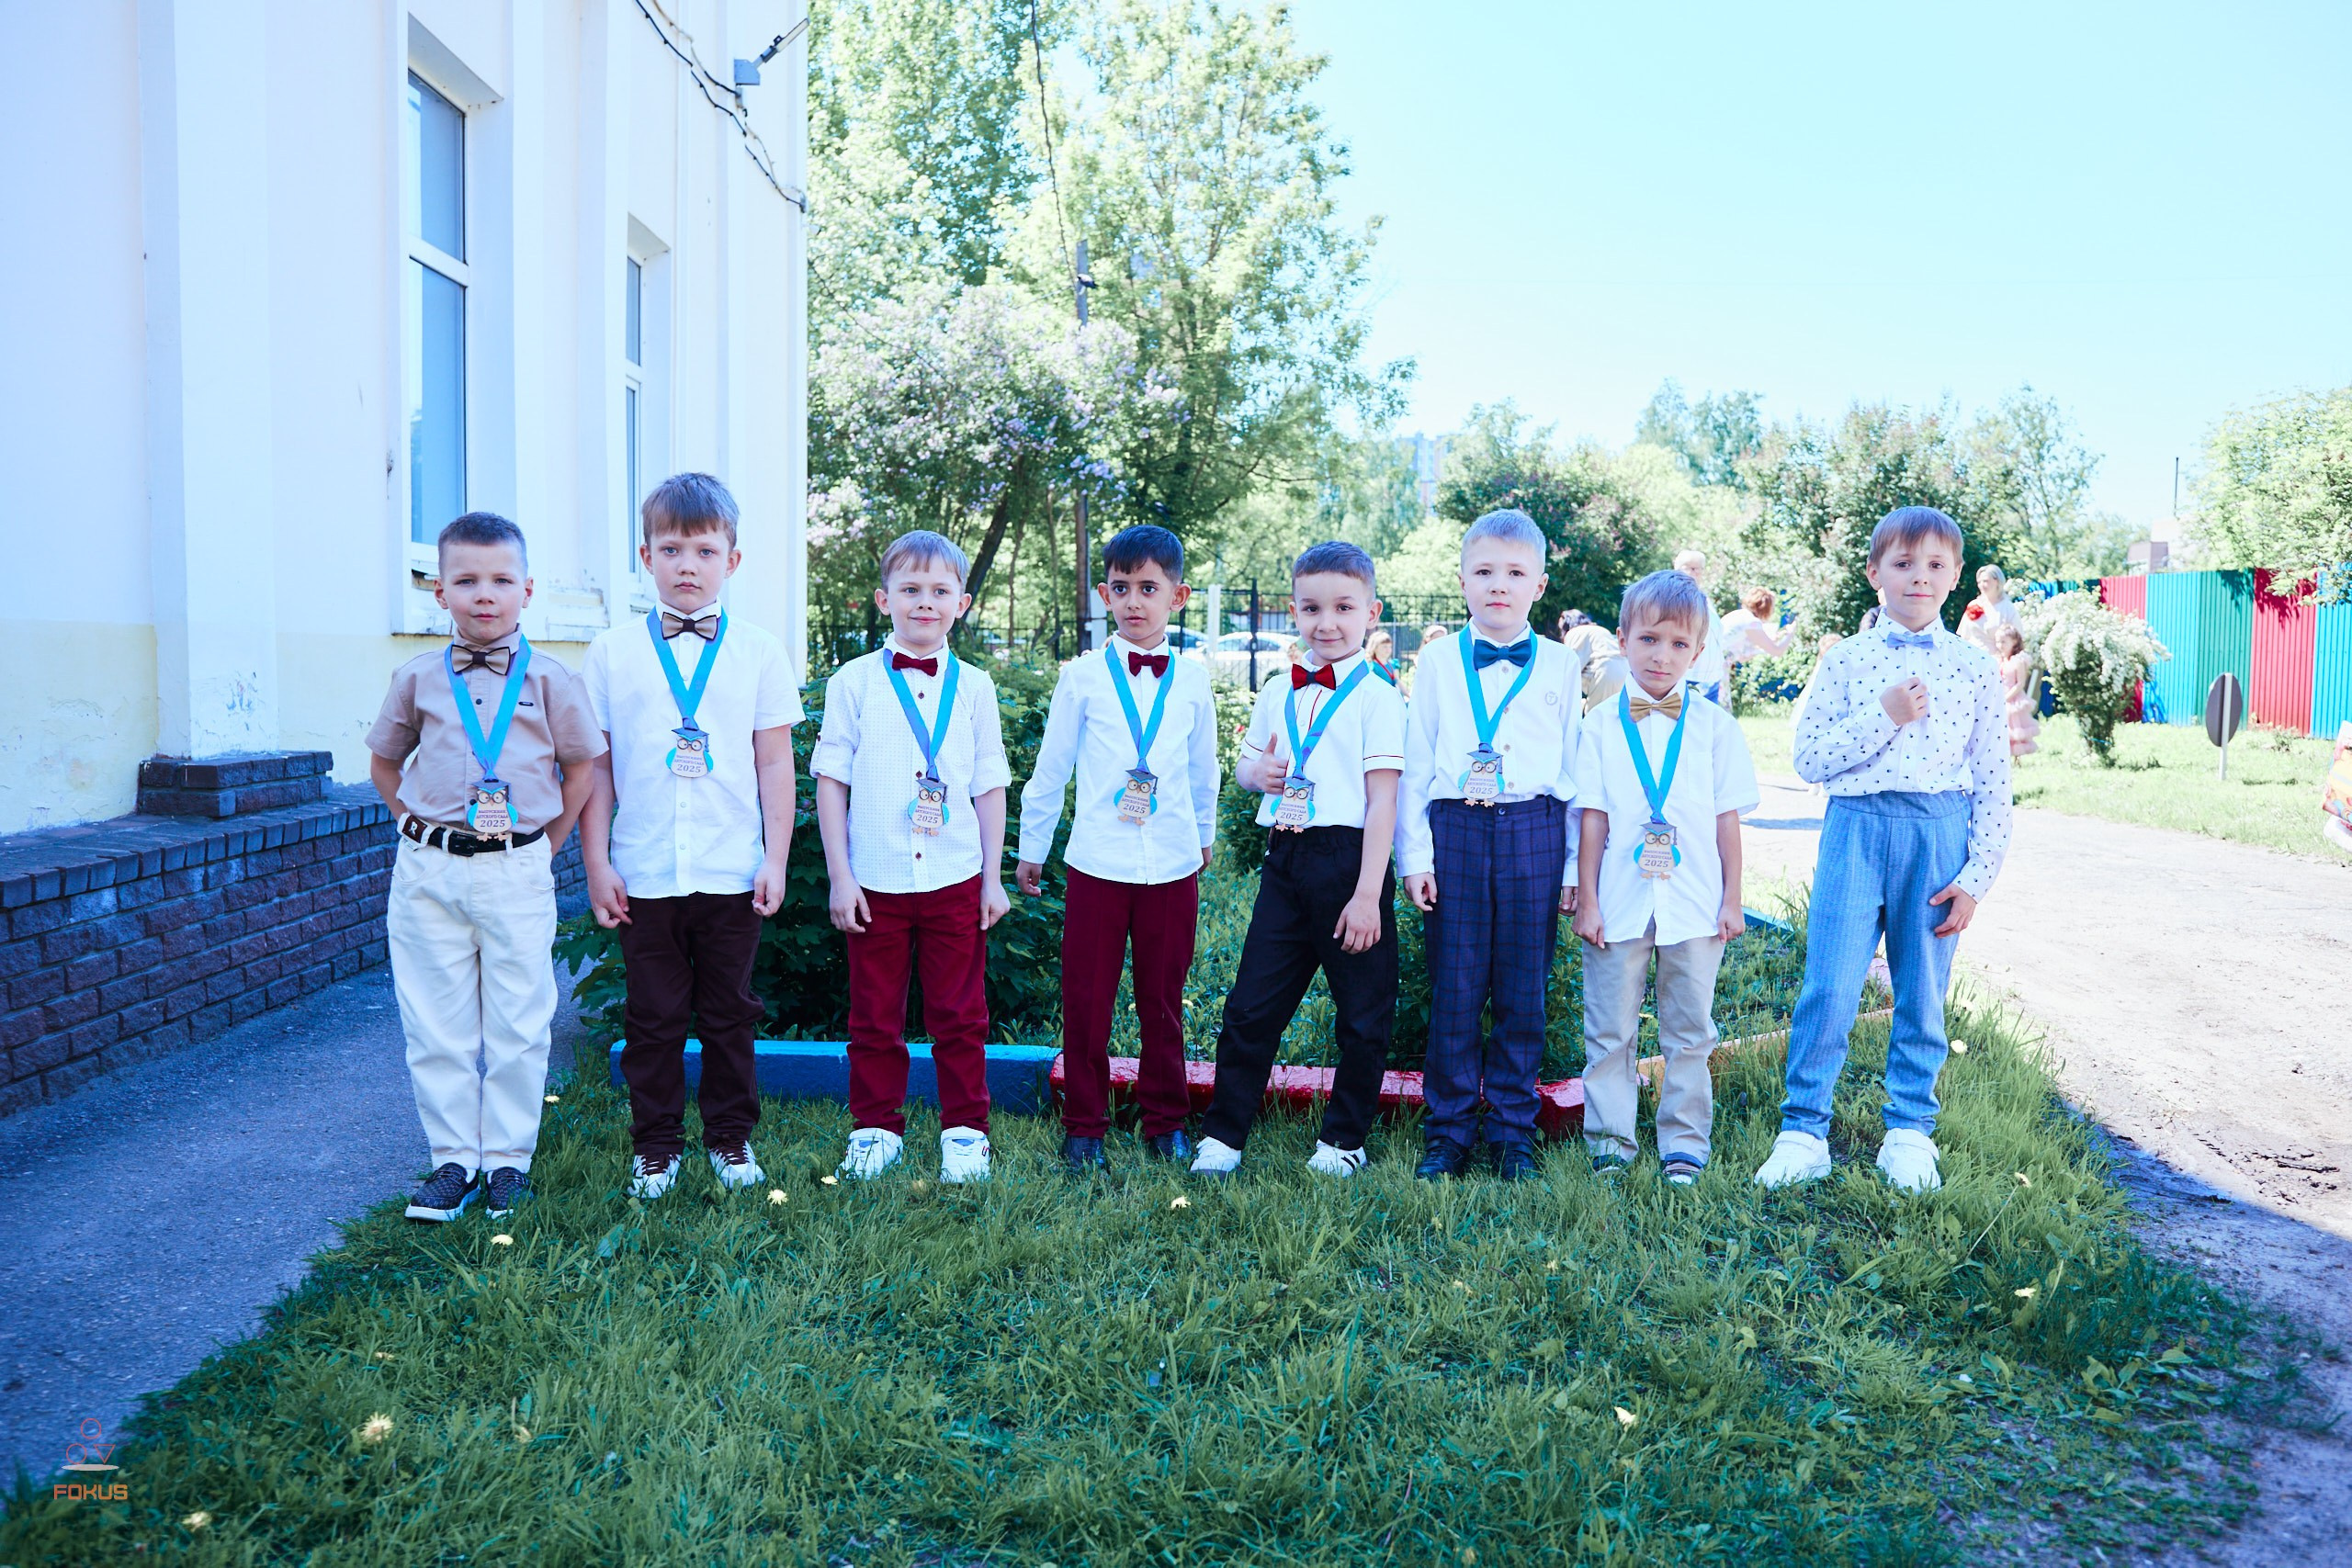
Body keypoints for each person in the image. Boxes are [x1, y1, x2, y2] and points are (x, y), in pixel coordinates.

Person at [1755, 506, 2012, 1195]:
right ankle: (1803, 1129)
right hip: (1856, 832)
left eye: (1934, 565)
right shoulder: (1846, 660)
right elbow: (1810, 758)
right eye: (1902, 564)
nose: (1918, 578)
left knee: (1922, 991)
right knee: (1831, 984)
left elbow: (1993, 781)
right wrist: (1885, 714)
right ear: (1875, 574)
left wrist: (1977, 876)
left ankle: (1908, 1130)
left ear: (1957, 576)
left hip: (1938, 835)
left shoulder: (1974, 668)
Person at [367, 513, 605, 1223]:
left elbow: (582, 766)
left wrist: (547, 842)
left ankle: (506, 1161)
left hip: (516, 870)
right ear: (440, 592)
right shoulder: (416, 679)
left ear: (527, 590)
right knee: (434, 1021)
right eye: (466, 580)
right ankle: (451, 1161)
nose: (484, 595)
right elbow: (384, 760)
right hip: (428, 872)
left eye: (501, 580)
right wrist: (409, 821)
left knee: (519, 1022)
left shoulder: (554, 680)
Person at [582, 474, 804, 1201]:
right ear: (645, 554)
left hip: (731, 867)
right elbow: (599, 767)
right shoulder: (612, 653)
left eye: (704, 550)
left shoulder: (760, 651)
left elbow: (775, 759)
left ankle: (730, 1138)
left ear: (731, 560)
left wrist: (775, 856)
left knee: (730, 1012)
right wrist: (597, 860)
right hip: (644, 868)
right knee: (652, 1015)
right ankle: (655, 1146)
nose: (687, 564)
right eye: (671, 548)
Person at [1191, 542, 1409, 1180]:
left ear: (1372, 612)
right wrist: (1255, 771)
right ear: (1293, 611)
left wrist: (1369, 893)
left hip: (1350, 862)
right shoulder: (1274, 688)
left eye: (1344, 607)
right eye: (1312, 608)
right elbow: (1246, 766)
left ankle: (1343, 1139)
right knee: (1252, 1006)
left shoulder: (1379, 696)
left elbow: (1383, 801)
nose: (1328, 622)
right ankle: (1224, 1135)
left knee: (1363, 1013)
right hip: (1285, 862)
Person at [1016, 525, 1221, 1171]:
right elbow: (1052, 769)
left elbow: (1203, 767)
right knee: (1087, 996)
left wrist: (1205, 835)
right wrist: (1033, 847)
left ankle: (1166, 1120)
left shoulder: (1191, 679)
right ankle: (1085, 1125)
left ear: (1177, 595)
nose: (1135, 600)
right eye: (1122, 587)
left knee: (1162, 998)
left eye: (1149, 588)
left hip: (1170, 862)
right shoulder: (1080, 677)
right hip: (1097, 862)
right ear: (1105, 592)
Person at [810, 531, 1012, 1184]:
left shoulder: (977, 687)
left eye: (939, 592)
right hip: (876, 879)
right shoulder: (853, 682)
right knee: (874, 1014)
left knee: (961, 1013)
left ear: (963, 601)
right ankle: (875, 1126)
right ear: (884, 598)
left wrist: (992, 877)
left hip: (955, 876)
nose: (925, 603)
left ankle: (965, 1130)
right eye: (910, 590)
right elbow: (831, 780)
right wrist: (841, 876)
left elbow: (989, 785)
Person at [1398, 509, 1583, 1181]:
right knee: (1454, 987)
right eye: (1483, 572)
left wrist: (1568, 865)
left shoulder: (1563, 665)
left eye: (1513, 573)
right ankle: (1447, 1132)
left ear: (1538, 584)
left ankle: (1511, 1131)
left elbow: (1572, 772)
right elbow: (1417, 763)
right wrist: (1414, 856)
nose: (1497, 585)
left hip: (1533, 829)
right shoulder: (1440, 660)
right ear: (1461, 580)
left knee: (1521, 992)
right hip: (1457, 831)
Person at [1572, 570, 1758, 1185]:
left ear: (1698, 652)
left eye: (1679, 644)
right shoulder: (1598, 727)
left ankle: (1684, 1140)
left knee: (1689, 1029)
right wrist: (1588, 900)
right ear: (1623, 640)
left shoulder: (1715, 728)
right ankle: (1609, 1141)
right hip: (1618, 903)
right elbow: (1593, 820)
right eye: (1649, 639)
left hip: (1697, 902)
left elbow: (1726, 822)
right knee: (1609, 1027)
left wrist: (1733, 899)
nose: (1662, 655)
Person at [1672, 549, 1729, 704]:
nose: (1695, 572)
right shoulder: (1672, 597)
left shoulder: (1704, 598)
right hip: (1687, 677)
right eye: (1689, 567)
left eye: (1699, 569)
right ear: (1676, 567)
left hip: (1710, 679)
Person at [1557, 608, 1627, 712]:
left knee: (1594, 721)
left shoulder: (1574, 633)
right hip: (1625, 672)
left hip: (1605, 672)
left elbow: (1570, 670)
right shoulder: (1599, 630)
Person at [1719, 587, 1793, 670]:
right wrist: (1791, 633)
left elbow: (1742, 657)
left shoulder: (1741, 615)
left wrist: (1772, 640)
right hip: (1714, 670)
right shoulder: (1751, 622)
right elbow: (1777, 651)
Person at [1996, 624, 2041, 757]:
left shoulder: (2018, 661)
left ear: (2014, 642)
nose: (2000, 645)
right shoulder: (1999, 660)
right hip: (2000, 696)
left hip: (2013, 697)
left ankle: (2016, 757)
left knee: (2015, 728)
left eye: (2004, 642)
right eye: (1998, 641)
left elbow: (2020, 683)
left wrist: (2007, 697)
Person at [1959, 565, 2022, 660]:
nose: (1981, 585)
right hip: (1970, 659)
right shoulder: (1973, 605)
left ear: (1997, 581)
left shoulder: (2008, 608)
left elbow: (2017, 640)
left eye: (1985, 581)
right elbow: (1963, 636)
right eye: (1979, 582)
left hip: (1995, 661)